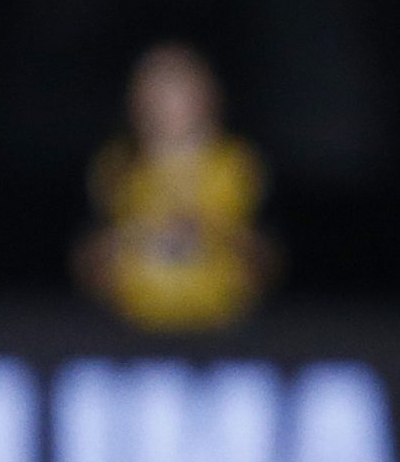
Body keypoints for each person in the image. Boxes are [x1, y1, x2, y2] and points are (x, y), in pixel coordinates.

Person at [74, 42, 275, 331]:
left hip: (223, 328)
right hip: (130, 330)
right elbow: (89, 261)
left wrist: (211, 230)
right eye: (155, 90)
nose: (166, 103)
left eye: (178, 89)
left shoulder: (238, 166)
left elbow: (266, 259)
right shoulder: (117, 167)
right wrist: (136, 235)